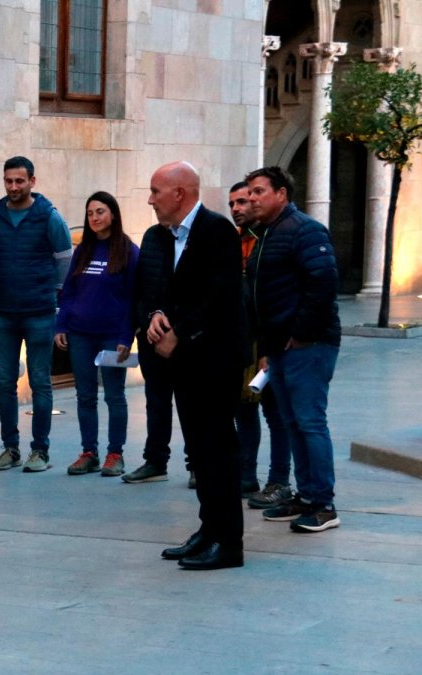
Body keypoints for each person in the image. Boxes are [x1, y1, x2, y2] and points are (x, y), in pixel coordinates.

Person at [144, 162, 246, 571]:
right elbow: (169, 289)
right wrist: (157, 315)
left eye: (155, 191)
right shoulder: (167, 236)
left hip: (215, 359)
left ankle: (229, 542)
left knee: (218, 450)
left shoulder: (217, 231)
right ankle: (209, 529)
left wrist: (180, 333)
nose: (150, 200)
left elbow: (219, 296)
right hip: (186, 363)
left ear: (179, 194)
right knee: (199, 453)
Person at [244, 167, 342, 533]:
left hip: (308, 344)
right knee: (293, 423)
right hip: (279, 346)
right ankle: (307, 495)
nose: (251, 198)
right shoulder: (267, 233)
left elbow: (324, 282)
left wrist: (300, 333)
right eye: (250, 192)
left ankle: (324, 504)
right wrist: (267, 344)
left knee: (310, 422)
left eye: (258, 191)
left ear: (281, 193)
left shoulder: (305, 230)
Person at [0, 156, 72, 472]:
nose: (13, 186)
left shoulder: (49, 216)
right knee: (5, 384)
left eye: (20, 181)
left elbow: (64, 259)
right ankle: (10, 448)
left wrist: (50, 292)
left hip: (40, 313)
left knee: (40, 383)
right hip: (3, 314)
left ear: (32, 181)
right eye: (9, 181)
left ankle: (40, 451)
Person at [53, 192, 139, 477]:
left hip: (112, 337)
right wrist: (61, 325)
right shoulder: (83, 250)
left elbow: (134, 299)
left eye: (100, 212)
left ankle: (116, 454)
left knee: (114, 396)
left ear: (113, 214)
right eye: (90, 213)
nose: (94, 218)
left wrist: (126, 337)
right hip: (80, 335)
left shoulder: (128, 251)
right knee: (85, 396)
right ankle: (89, 452)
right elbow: (69, 291)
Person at [228, 182, 294, 508]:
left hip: (269, 341)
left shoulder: (271, 238)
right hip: (240, 339)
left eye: (244, 200)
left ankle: (279, 480)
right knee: (243, 411)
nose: (238, 208)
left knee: (275, 414)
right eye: (233, 203)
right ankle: (246, 475)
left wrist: (270, 347)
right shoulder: (232, 241)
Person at [122, 201, 193, 487]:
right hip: (151, 336)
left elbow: (196, 291)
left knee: (189, 403)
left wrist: (177, 327)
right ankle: (155, 461)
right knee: (156, 401)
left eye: (157, 197)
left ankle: (196, 464)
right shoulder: (152, 236)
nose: (152, 203)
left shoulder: (197, 236)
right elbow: (142, 286)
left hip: (185, 336)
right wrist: (144, 323)